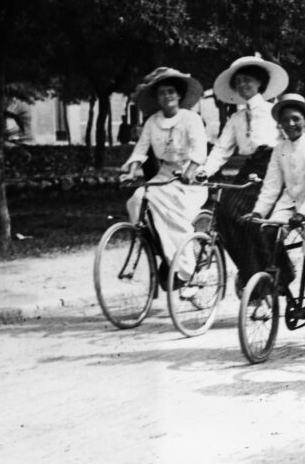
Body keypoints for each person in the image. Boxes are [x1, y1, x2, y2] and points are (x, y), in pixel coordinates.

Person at [249, 94, 305, 343]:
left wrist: (304, 214)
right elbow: (271, 184)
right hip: (290, 203)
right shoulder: (279, 149)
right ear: (279, 124)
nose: (291, 124)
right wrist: (259, 211)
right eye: (285, 120)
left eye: (296, 119)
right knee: (266, 231)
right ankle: (282, 276)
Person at [196, 55, 289, 293]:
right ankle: (249, 272)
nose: (243, 85)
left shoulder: (274, 112)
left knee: (254, 219)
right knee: (225, 213)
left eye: (248, 80)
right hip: (251, 168)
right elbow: (221, 149)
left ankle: (277, 272)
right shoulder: (236, 119)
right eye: (238, 82)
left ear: (260, 83)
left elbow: (289, 145)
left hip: (276, 167)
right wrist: (204, 170)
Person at [119, 67, 208, 286]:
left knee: (173, 212)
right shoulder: (152, 121)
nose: (167, 96)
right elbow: (141, 149)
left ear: (179, 95)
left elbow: (199, 150)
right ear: (157, 98)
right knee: (138, 200)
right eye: (162, 93)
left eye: (171, 91)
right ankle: (159, 250)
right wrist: (131, 172)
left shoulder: (191, 119)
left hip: (191, 178)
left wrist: (189, 173)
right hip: (165, 175)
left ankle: (188, 270)